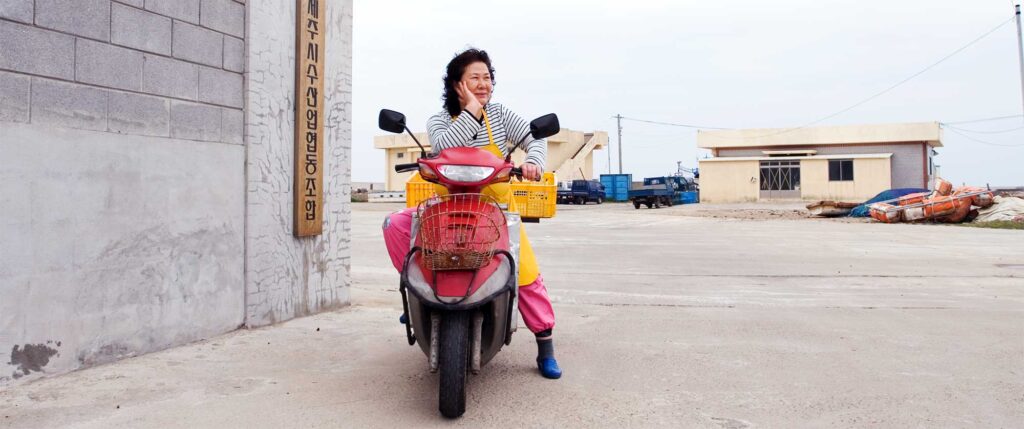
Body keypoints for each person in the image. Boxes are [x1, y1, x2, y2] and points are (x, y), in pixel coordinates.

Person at [381, 48, 561, 379]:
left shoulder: (502, 115)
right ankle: (415, 289)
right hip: (444, 205)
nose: (483, 85)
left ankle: (545, 343)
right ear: (456, 85)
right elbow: (445, 146)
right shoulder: (438, 120)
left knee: (524, 272)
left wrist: (534, 161)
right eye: (474, 78)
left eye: (487, 78)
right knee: (394, 225)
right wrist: (473, 112)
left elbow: (534, 138)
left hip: (493, 207)